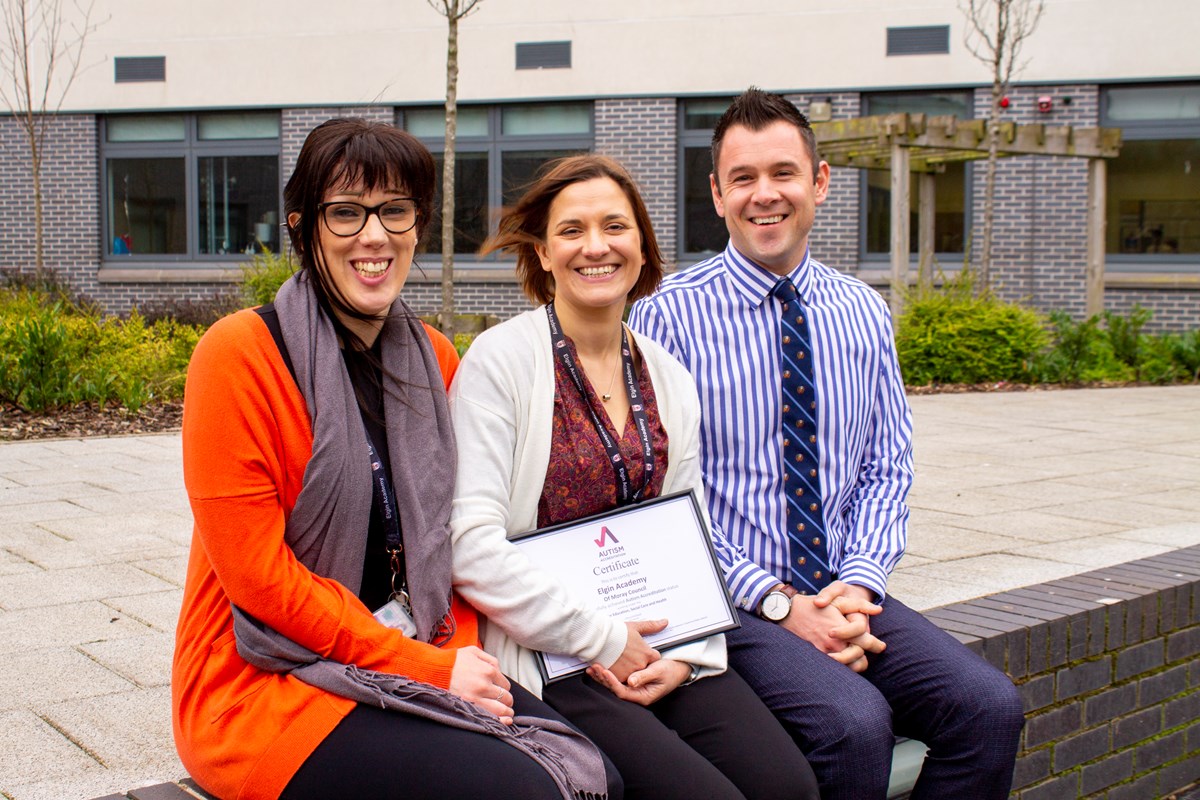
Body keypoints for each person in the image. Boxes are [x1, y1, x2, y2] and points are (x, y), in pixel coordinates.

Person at [173, 119, 616, 800]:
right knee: (527, 791)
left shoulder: (435, 359)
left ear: (418, 225)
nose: (374, 236)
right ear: (303, 228)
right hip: (266, 684)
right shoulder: (238, 358)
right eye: (346, 213)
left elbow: (450, 543)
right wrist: (426, 669)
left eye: (395, 210)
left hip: (417, 647)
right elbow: (260, 581)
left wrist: (452, 654)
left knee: (597, 780)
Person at [628, 88, 1025, 800]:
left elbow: (886, 465)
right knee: (853, 724)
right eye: (742, 178)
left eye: (782, 172)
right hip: (737, 602)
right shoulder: (666, 320)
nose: (764, 195)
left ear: (820, 181)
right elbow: (661, 498)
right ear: (716, 194)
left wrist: (860, 584)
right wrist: (780, 603)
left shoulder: (863, 311)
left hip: (845, 590)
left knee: (989, 709)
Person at [448, 154, 819, 800]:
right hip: (554, 657)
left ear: (643, 249)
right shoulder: (500, 364)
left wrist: (686, 656)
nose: (596, 247)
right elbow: (469, 544)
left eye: (615, 227)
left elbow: (690, 533)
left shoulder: (669, 376)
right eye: (572, 231)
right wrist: (599, 637)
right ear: (541, 253)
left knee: (789, 786)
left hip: (660, 646)